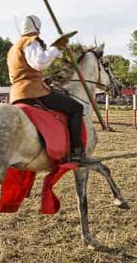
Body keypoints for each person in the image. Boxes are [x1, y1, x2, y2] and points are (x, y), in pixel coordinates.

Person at [6, 15, 90, 165]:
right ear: (37, 28)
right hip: (33, 92)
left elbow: (18, 75)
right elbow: (40, 63)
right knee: (76, 108)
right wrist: (56, 47)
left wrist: (41, 80)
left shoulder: (13, 48)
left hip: (16, 93)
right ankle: (76, 151)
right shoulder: (31, 41)